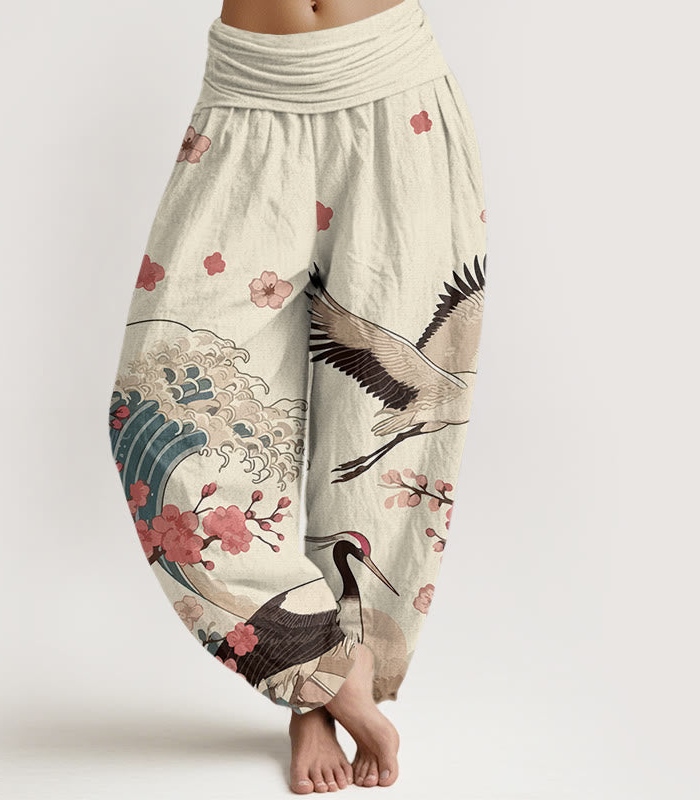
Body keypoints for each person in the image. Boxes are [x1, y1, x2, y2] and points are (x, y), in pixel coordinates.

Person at [108, 0, 488, 793]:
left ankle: (319, 694)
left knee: (378, 440)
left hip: (393, 93)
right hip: (248, 99)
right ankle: (321, 669)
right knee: (159, 399)